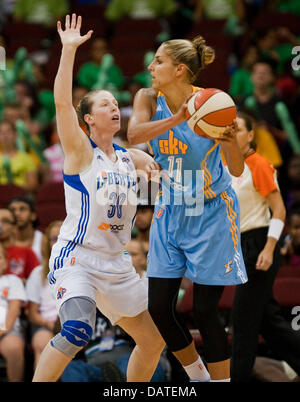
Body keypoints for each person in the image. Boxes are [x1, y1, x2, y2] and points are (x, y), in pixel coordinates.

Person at [32, 14, 165, 382]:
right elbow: (62, 105)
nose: (113, 107)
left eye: (114, 103)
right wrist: (69, 51)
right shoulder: (80, 152)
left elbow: (159, 178)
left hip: (117, 263)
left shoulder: (127, 157)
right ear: (88, 119)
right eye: (104, 104)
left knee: (154, 343)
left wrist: (163, 176)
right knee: (77, 331)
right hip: (79, 257)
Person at [127, 35, 247, 382]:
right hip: (171, 208)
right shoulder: (148, 97)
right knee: (160, 308)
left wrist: (229, 143)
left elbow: (236, 170)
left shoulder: (214, 104)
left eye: (159, 61)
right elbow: (134, 135)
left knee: (206, 311)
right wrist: (179, 117)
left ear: (180, 70)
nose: (151, 67)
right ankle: (200, 378)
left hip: (211, 211)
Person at [229, 112, 287, 382]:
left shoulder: (259, 164)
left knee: (242, 322)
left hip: (260, 243)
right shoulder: (227, 167)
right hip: (241, 246)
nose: (233, 134)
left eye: (239, 129)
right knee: (269, 323)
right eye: (229, 130)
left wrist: (269, 247)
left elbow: (279, 211)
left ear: (251, 135)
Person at [25, 220, 62, 369]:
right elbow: (32, 313)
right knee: (44, 343)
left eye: (62, 238)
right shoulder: (38, 273)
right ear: (47, 243)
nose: (59, 243)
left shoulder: (82, 270)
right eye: (54, 239)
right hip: (46, 325)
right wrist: (49, 324)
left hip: (74, 324)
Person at [0, 243, 27, 382]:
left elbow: (14, 309)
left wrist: (3, 329)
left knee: (14, 347)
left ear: (5, 262)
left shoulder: (13, 281)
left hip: (7, 330)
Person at [0, 208, 39, 282]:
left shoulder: (26, 252)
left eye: (5, 221)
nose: (0, 225)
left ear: (14, 227)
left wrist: (18, 282)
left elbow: (36, 281)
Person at [0, 120, 39, 193]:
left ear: (15, 135)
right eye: (1, 132)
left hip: (19, 196)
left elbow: (33, 185)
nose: (5, 135)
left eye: (8, 132)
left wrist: (14, 190)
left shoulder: (27, 158)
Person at [8, 196, 43, 262]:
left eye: (22, 209)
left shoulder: (43, 240)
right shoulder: (4, 238)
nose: (17, 213)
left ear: (33, 215)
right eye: (12, 210)